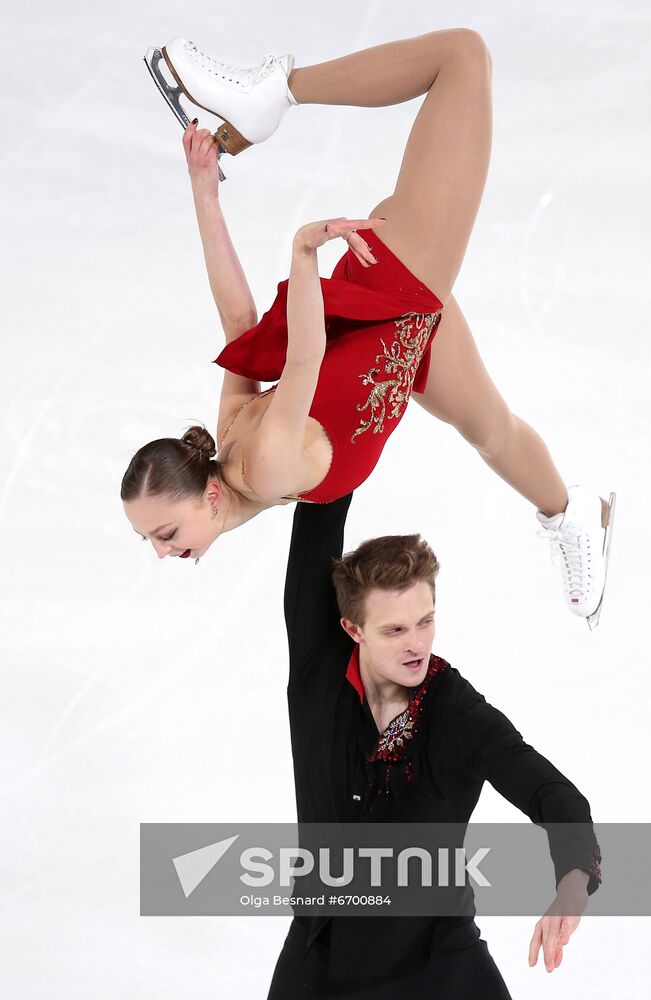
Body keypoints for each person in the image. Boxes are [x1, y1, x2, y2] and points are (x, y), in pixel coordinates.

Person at [124, 29, 616, 626]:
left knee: (460, 56)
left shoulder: (266, 464)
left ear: (205, 495)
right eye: (153, 539)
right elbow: (240, 322)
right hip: (402, 342)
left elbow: (302, 361)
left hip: (398, 281)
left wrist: (302, 259)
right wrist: (206, 193)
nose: (162, 550)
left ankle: (273, 92)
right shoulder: (231, 437)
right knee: (491, 430)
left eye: (165, 531)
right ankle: (573, 513)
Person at [268, 489, 601, 998]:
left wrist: (573, 882)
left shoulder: (456, 713)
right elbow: (320, 506)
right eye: (396, 629)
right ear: (352, 628)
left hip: (438, 962)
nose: (417, 644)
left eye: (425, 621)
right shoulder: (319, 671)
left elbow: (552, 794)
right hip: (321, 952)